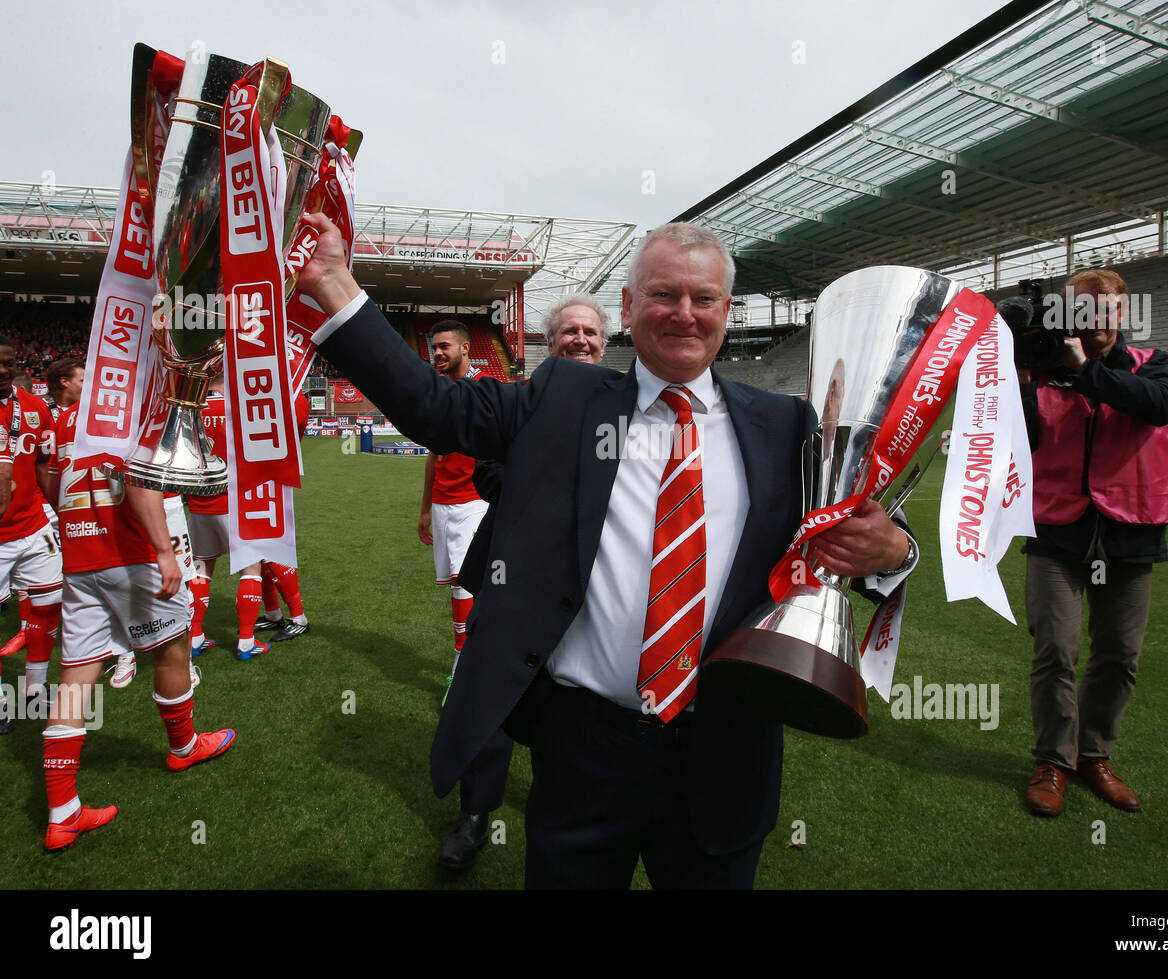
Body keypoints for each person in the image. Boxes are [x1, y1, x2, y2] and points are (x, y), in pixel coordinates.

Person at [298, 215, 915, 889]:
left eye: (703, 298)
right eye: (663, 294)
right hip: (585, 753)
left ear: (726, 311)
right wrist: (332, 279)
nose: (684, 313)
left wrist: (892, 549)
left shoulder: (787, 426)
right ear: (627, 307)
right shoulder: (563, 398)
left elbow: (869, 526)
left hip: (728, 752)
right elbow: (435, 407)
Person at [436, 294, 610, 871]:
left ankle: (563, 809)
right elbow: (484, 470)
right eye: (568, 332)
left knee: (574, 707)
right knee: (492, 699)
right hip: (513, 578)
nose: (580, 340)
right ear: (547, 342)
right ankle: (476, 814)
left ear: (604, 341)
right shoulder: (521, 400)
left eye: (589, 331)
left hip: (595, 592)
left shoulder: (628, 402)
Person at [1019, 269, 1168, 817]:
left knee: (1118, 656)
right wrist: (1012, 371)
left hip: (1130, 533)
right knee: (1055, 652)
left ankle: (1095, 756)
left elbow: (1158, 405)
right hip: (1057, 530)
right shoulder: (1039, 373)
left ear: (1122, 314)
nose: (1096, 321)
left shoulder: (1154, 365)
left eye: (1107, 310)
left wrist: (1083, 370)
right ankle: (1053, 762)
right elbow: (1011, 438)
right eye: (1081, 311)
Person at [40, 400, 235, 851]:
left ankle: (62, 813)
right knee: (174, 647)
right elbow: (140, 484)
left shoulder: (67, 415)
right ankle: (184, 747)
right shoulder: (131, 408)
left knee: (76, 675)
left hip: (79, 556)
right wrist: (165, 552)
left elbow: (51, 481)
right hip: (128, 553)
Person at [415, 321, 489, 684]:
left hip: (474, 500)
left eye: (445, 346)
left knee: (465, 582)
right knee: (458, 586)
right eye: (434, 347)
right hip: (444, 503)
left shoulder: (486, 389)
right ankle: (471, 656)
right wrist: (426, 508)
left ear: (465, 348)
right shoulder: (439, 392)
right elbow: (435, 455)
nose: (438, 353)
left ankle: (464, 667)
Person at [0, 336, 62, 726]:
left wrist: (60, 512)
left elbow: (43, 465)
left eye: (9, 363)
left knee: (48, 604)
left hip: (32, 526)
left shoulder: (36, 407)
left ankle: (33, 691)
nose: (3, 370)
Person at [184, 378, 269, 661]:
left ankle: (195, 637)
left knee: (200, 569)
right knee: (250, 568)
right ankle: (246, 641)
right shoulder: (241, 407)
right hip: (236, 499)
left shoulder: (192, 408)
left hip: (198, 500)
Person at [253, 391, 312, 643]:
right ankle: (273, 612)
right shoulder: (288, 394)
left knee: (272, 548)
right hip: (258, 474)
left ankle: (298, 618)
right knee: (259, 550)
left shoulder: (291, 396)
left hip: (269, 476)